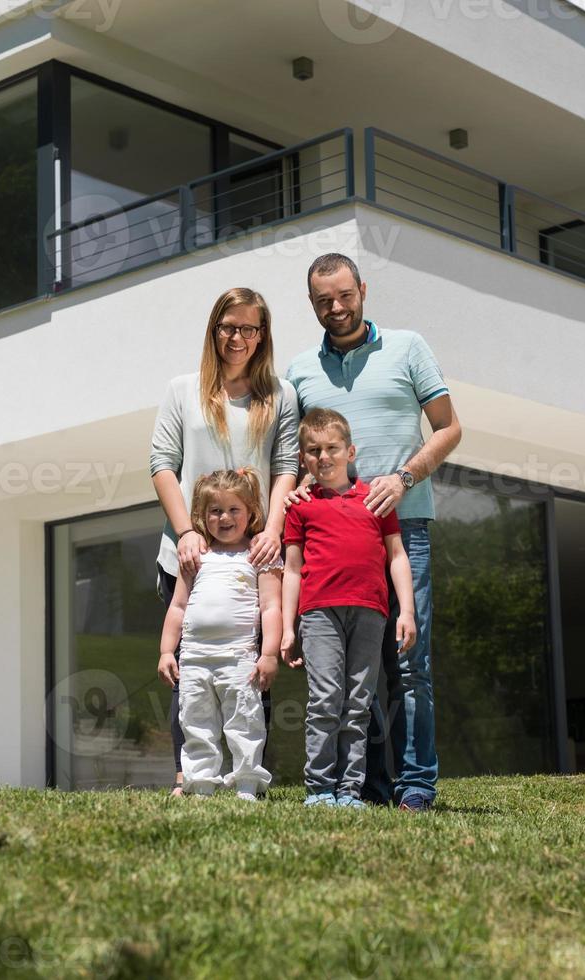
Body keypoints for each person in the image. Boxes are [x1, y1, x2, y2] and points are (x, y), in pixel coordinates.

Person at [286, 254, 462, 811]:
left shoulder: (408, 347)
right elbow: (294, 454)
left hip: (400, 526)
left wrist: (406, 475)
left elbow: (450, 428)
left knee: (407, 662)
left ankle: (415, 787)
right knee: (347, 672)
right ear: (311, 304)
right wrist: (288, 491)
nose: (335, 308)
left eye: (344, 295)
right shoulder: (299, 371)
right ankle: (363, 787)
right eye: (322, 301)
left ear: (362, 290)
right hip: (331, 537)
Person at [150, 288, 299, 796]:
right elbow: (162, 465)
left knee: (252, 669)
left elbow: (286, 469)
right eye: (228, 327)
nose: (238, 338)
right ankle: (186, 776)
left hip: (252, 560)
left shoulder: (279, 395)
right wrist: (187, 530)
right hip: (190, 556)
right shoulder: (181, 390)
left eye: (249, 329)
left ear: (263, 336)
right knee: (190, 670)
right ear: (214, 330)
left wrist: (273, 531)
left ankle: (248, 776)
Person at [281, 408, 416, 808]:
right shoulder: (300, 506)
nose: (323, 457)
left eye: (332, 448)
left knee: (357, 703)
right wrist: (289, 627)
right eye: (313, 450)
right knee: (325, 699)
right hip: (318, 612)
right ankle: (320, 788)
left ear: (350, 451)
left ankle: (350, 790)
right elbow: (291, 569)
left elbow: (397, 555)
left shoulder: (376, 499)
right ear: (304, 459)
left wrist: (405, 611)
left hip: (371, 612)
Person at [158, 468, 282, 800]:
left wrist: (268, 654)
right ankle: (199, 785)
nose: (224, 517)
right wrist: (167, 651)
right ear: (202, 515)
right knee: (196, 724)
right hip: (195, 658)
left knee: (245, 723)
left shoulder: (259, 555)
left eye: (233, 510)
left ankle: (247, 785)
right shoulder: (196, 556)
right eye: (215, 511)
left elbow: (272, 608)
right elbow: (178, 606)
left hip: (239, 658)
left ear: (250, 512)